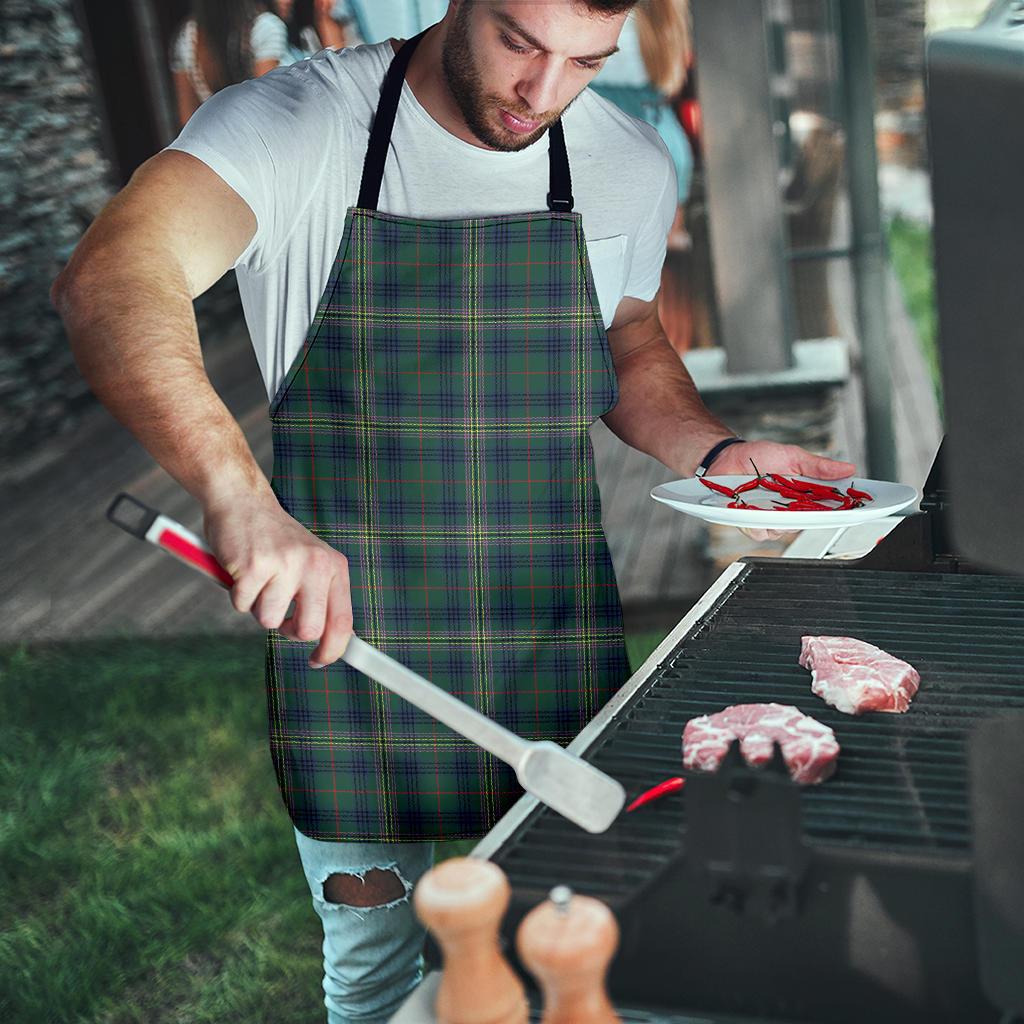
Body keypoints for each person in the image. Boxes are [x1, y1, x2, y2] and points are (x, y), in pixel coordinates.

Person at [53, 2, 856, 1020]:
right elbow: (113, 275)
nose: (543, 93)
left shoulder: (624, 160)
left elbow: (628, 335)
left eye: (585, 62)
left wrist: (718, 450)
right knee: (379, 976)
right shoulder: (298, 125)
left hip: (552, 634)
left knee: (573, 951)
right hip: (350, 654)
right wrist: (238, 497)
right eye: (521, 43)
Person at [170, 0, 289, 128]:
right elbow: (268, 107)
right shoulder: (265, 27)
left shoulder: (187, 36)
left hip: (217, 141)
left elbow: (187, 119)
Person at [274, 0, 350, 64]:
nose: (288, 2)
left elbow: (338, 62)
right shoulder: (271, 26)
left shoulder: (307, 30)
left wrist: (323, 17)